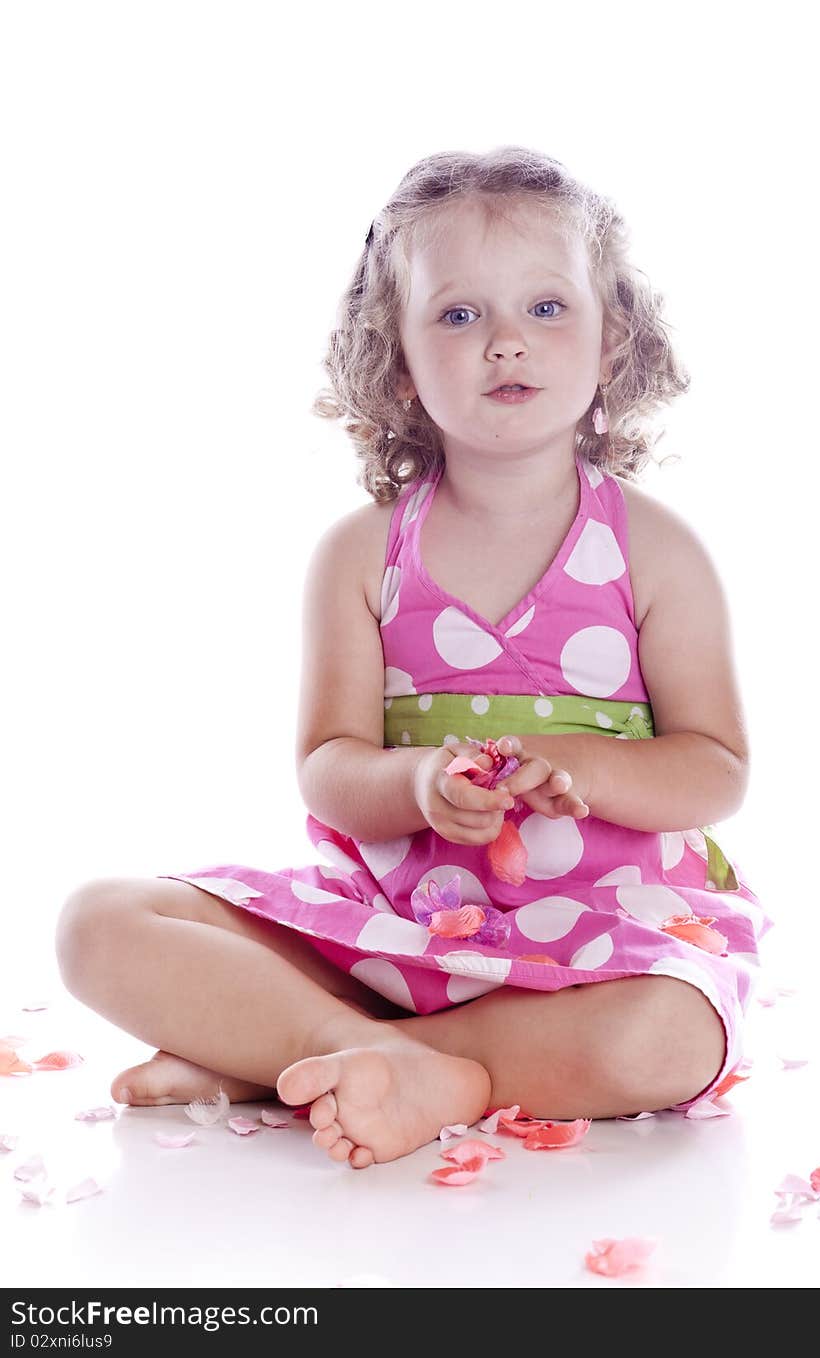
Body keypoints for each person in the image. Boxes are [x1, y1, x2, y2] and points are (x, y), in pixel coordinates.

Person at [55, 145, 773, 1170]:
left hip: (598, 945)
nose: (505, 344)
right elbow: (329, 768)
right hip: (396, 936)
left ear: (612, 340)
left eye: (546, 308)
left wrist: (585, 768)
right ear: (397, 359)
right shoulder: (362, 554)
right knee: (101, 921)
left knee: (671, 1034)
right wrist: (416, 783)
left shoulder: (654, 550)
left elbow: (716, 765)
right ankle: (365, 1046)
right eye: (457, 315)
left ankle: (300, 1059)